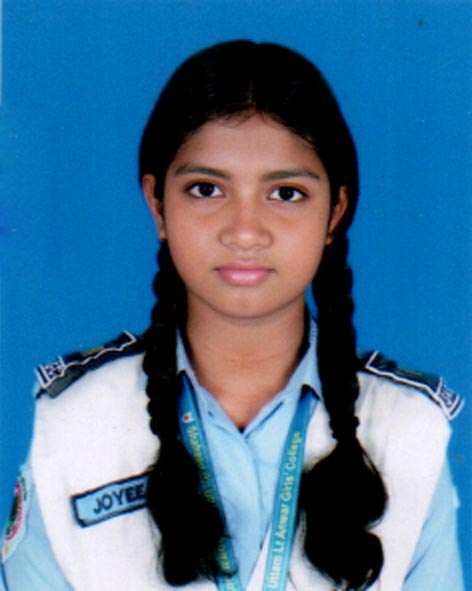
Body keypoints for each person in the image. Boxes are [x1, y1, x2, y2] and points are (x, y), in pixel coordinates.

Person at [1, 41, 464, 591]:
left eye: (286, 193)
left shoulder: (409, 431)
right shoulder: (71, 423)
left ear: (335, 212)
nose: (245, 232)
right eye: (206, 189)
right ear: (158, 205)